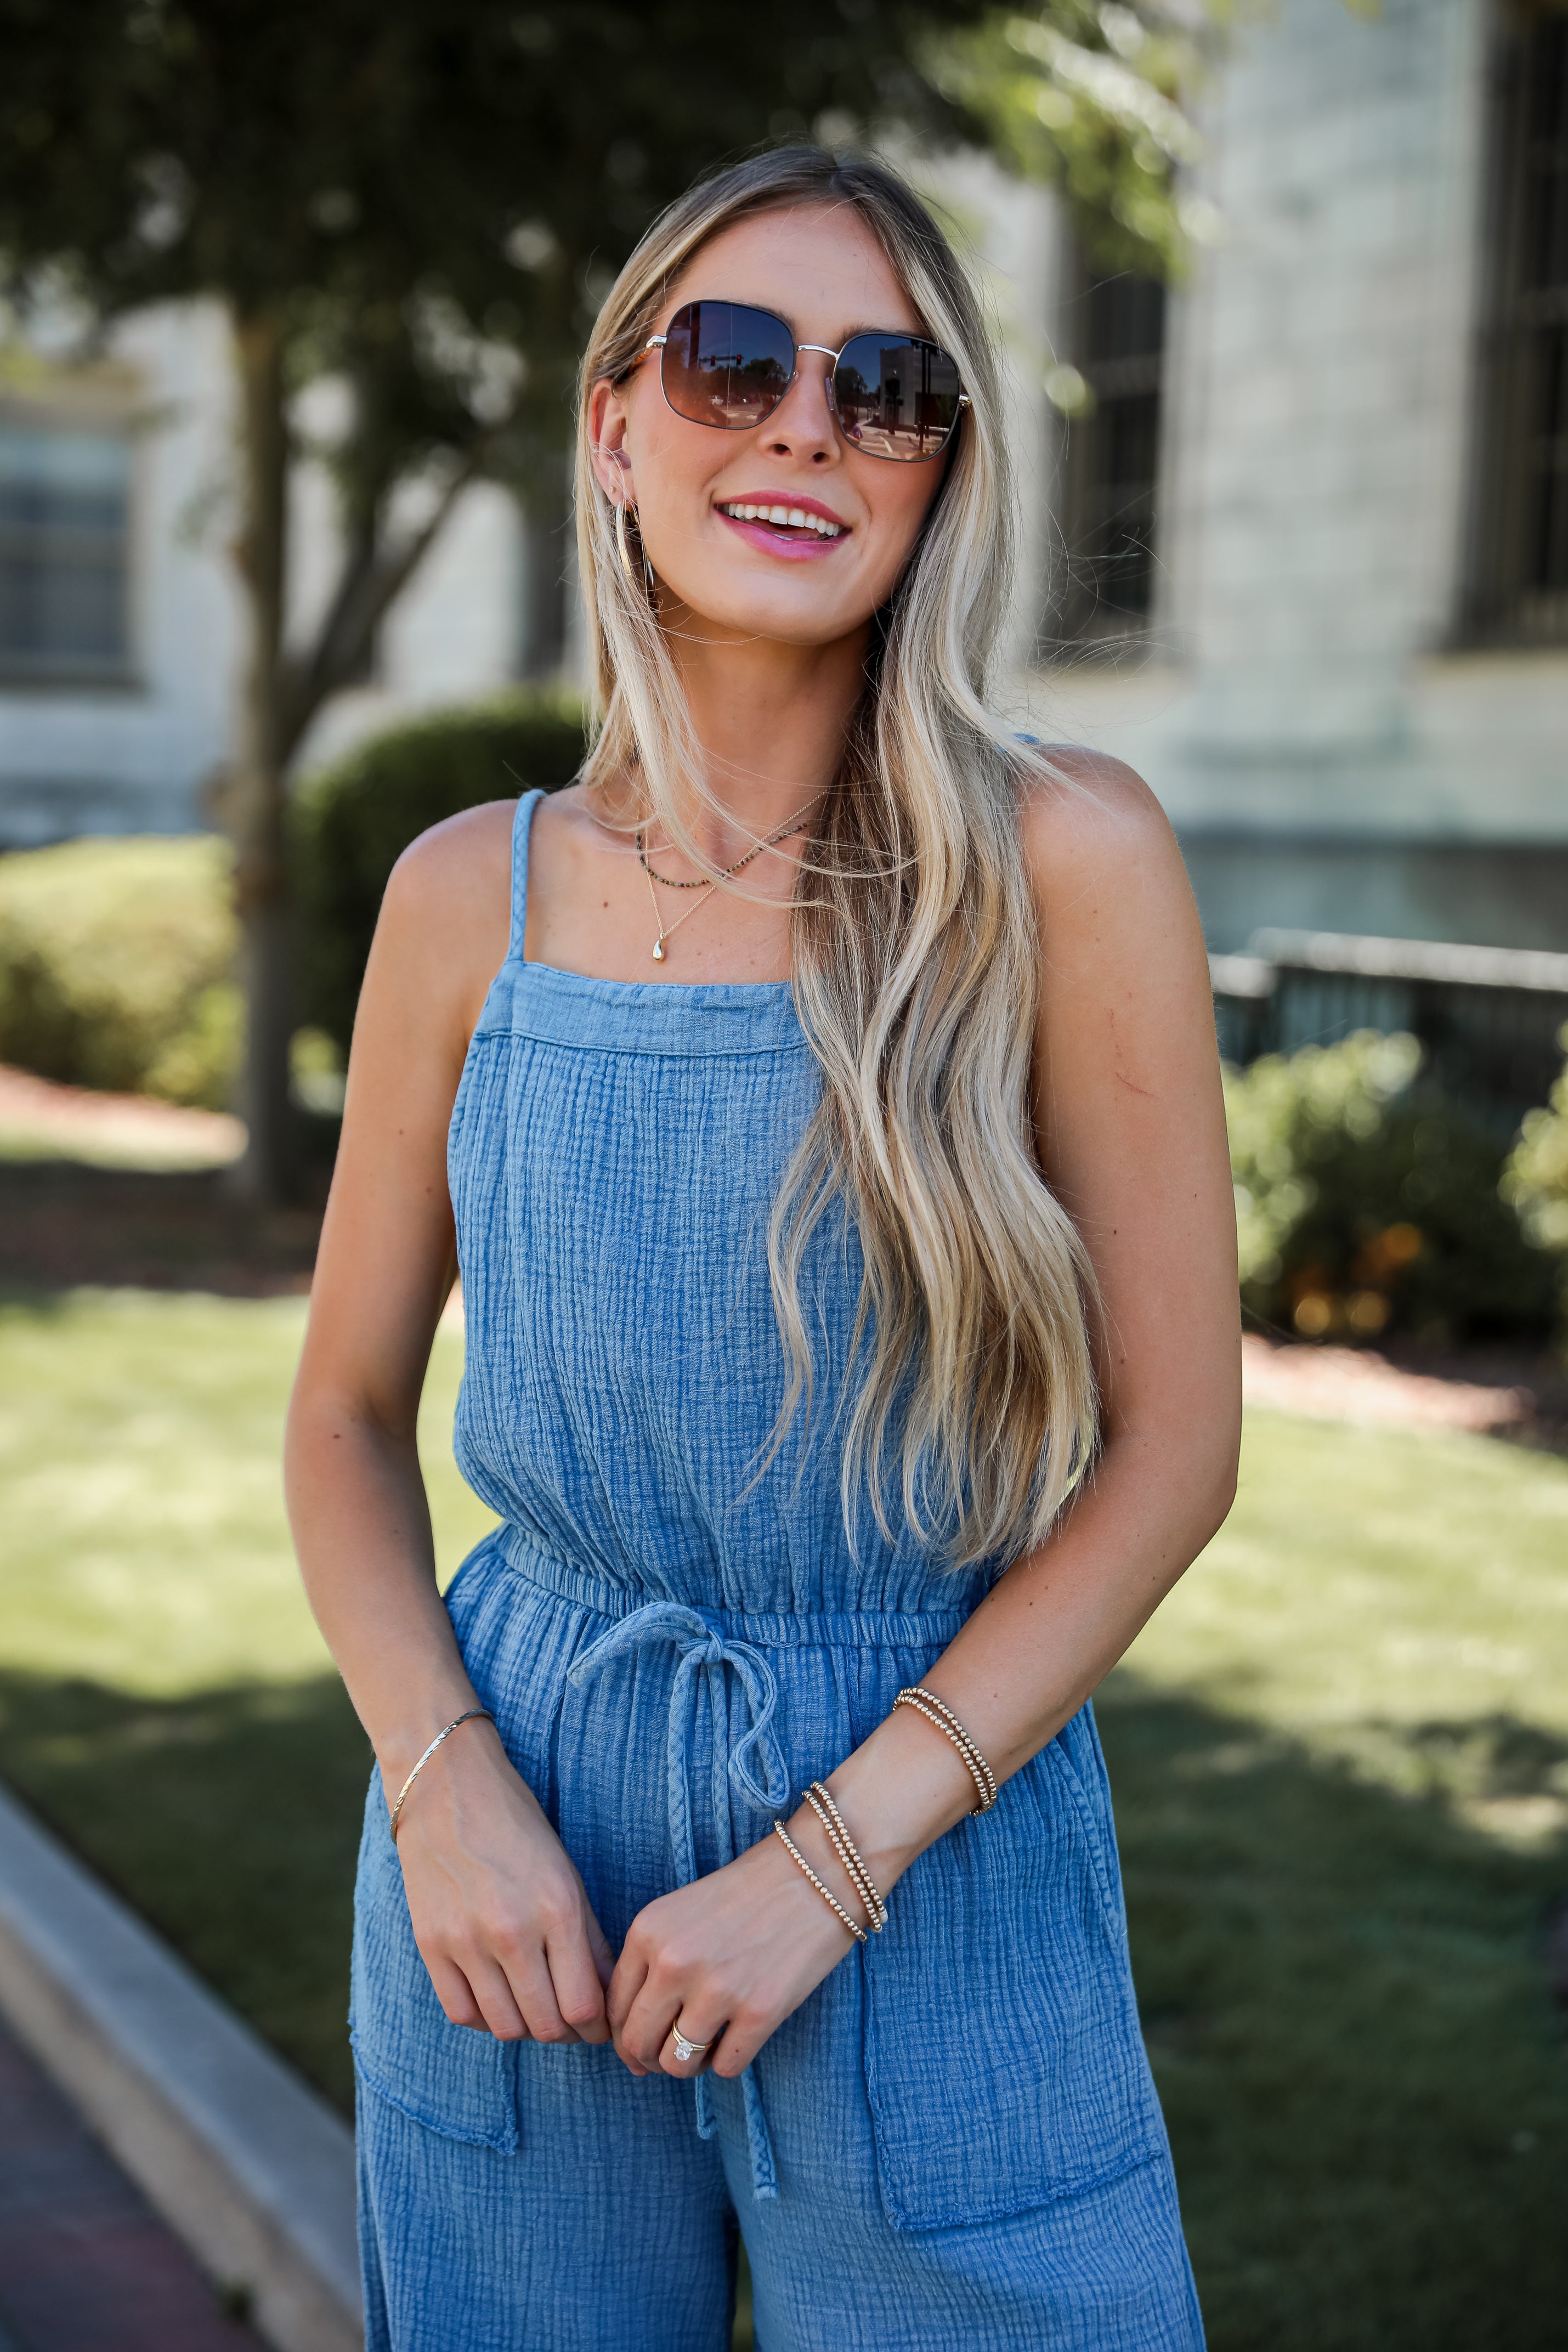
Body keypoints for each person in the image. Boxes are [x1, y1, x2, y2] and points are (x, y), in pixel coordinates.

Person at [285, 144, 1239, 2352]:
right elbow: (339, 1420)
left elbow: (1173, 1453)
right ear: (615, 423)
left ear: (937, 472)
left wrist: (834, 1859)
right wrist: (445, 1792)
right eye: (733, 360)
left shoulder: (1062, 861)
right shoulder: (464, 896)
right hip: (503, 1838)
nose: (804, 423)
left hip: (931, 1825)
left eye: (886, 386)